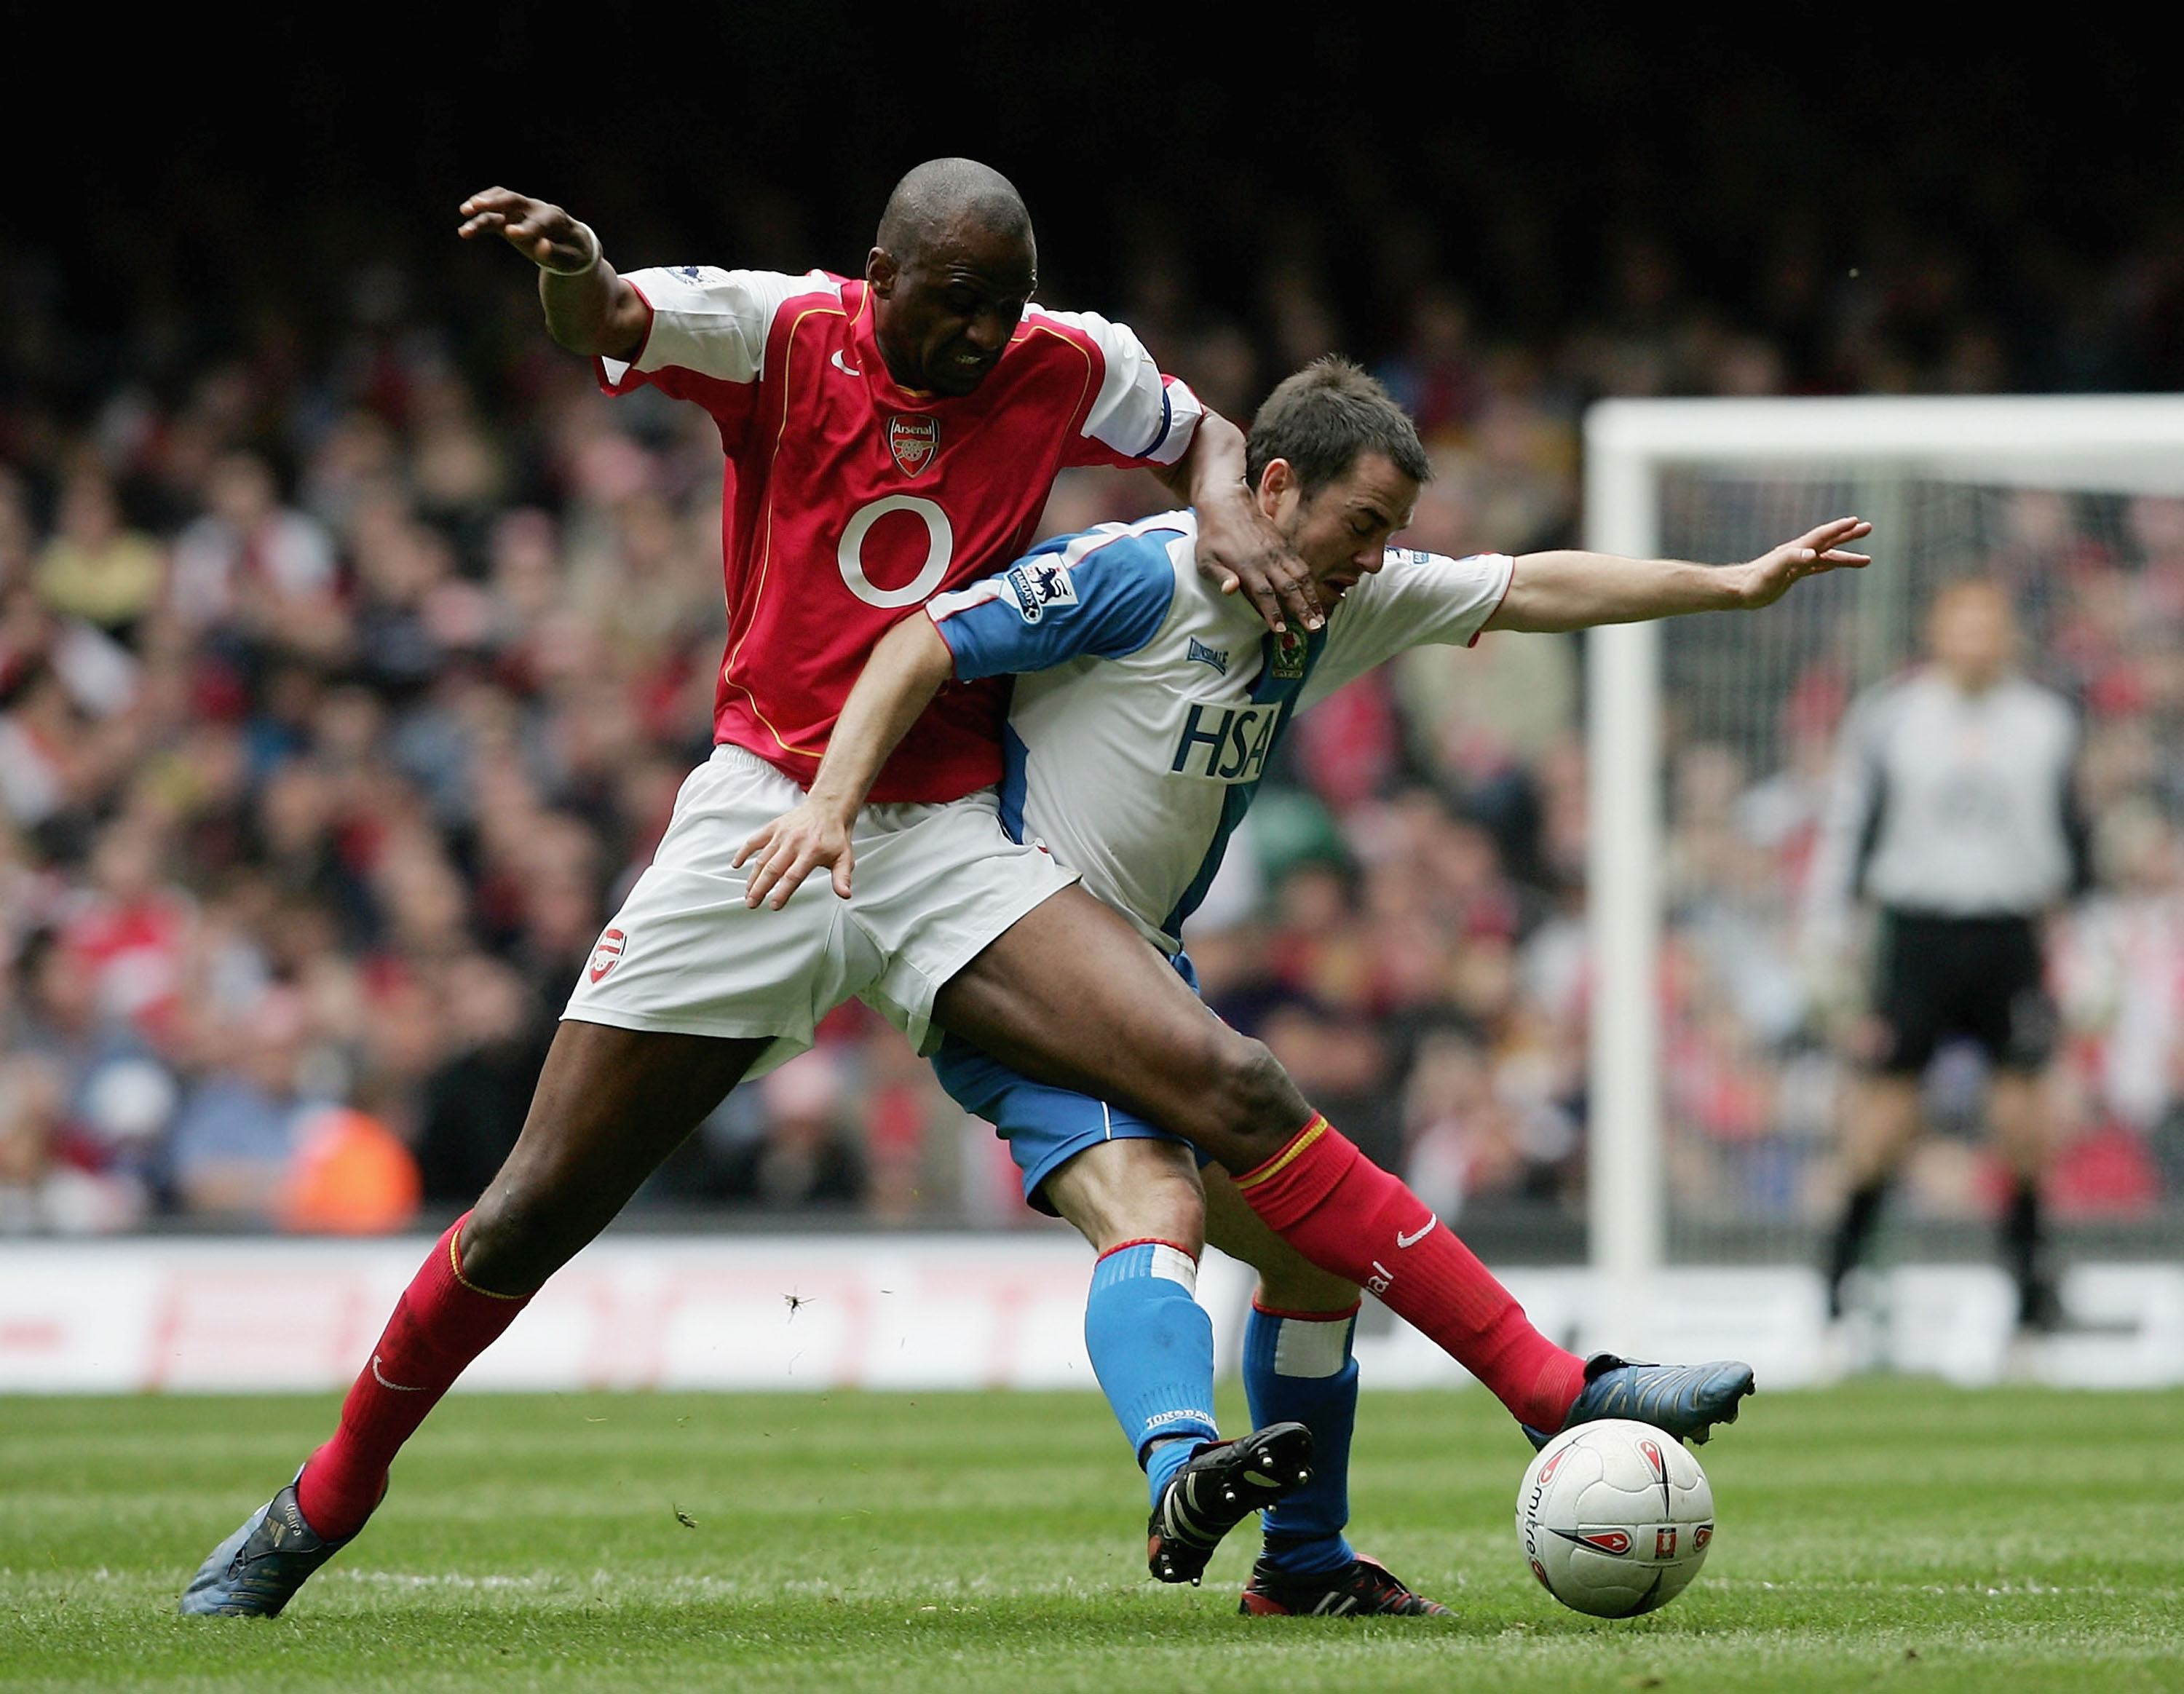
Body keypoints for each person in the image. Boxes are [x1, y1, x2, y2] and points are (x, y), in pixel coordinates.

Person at [735, 358, 1870, 1614]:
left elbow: (1533, 583)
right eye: (1364, 523)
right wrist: (833, 802)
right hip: (1017, 954)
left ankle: (1301, 1562)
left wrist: (1734, 583)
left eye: (1394, 532)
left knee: (1315, 1267)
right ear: (1273, 488)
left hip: (1138, 974)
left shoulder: (1341, 598)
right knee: (1163, 1199)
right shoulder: (1136, 574)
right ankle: (1516, 1395)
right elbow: (923, 642)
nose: (1381, 555)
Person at [1805, 579, 2084, 1333]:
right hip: (1919, 932)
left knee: (2024, 1118)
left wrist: (2081, 939)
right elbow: (1851, 827)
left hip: (2009, 932)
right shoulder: (1890, 717)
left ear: (2007, 632)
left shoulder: (2046, 722)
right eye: (1962, 620)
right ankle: (1838, 1271)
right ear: (1936, 629)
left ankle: (2030, 1277)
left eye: (1988, 620)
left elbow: (2070, 839)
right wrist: (1831, 934)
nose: (1976, 636)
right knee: (1888, 1113)